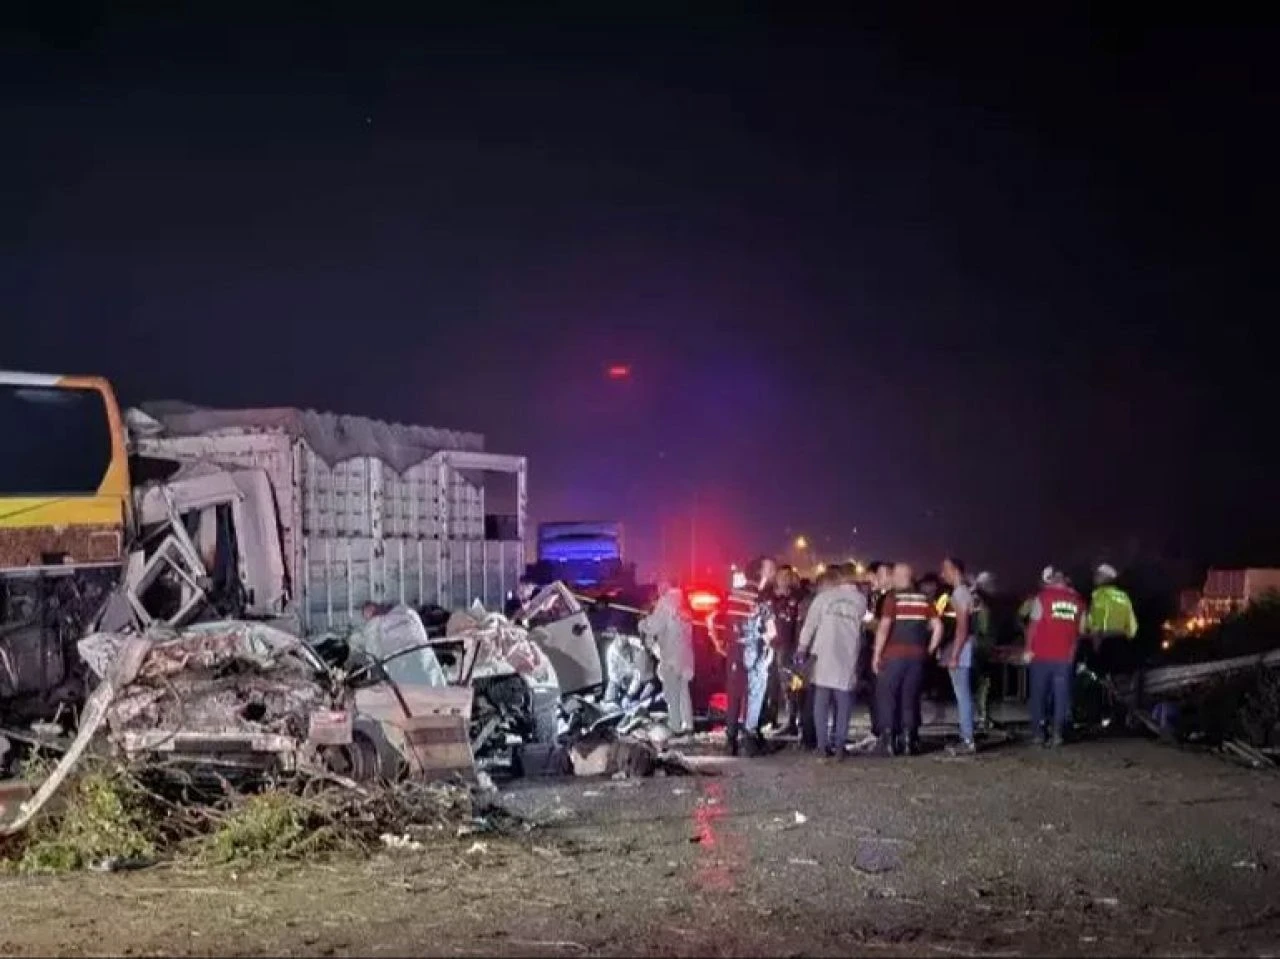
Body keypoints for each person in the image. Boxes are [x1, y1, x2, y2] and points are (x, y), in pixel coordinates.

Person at [795, 564, 867, 760]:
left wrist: (802, 648)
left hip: (823, 654)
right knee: (843, 702)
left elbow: (809, 625)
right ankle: (840, 746)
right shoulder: (860, 600)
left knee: (821, 701)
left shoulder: (823, 598)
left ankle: (822, 746)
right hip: (847, 655)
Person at [708, 555, 777, 756]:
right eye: (770, 569)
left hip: (734, 651)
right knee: (755, 695)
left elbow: (711, 618)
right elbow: (772, 631)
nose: (773, 573)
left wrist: (718, 642)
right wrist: (767, 643)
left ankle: (731, 740)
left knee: (734, 695)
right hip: (755, 651)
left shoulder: (732, 596)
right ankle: (749, 738)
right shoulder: (762, 599)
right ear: (761, 573)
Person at [872, 563, 943, 756]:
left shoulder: (892, 598)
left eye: (894, 575)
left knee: (887, 697)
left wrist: (876, 654)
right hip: (917, 657)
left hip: (893, 656)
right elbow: (938, 626)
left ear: (899, 577)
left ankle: (889, 742)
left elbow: (884, 627)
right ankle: (909, 742)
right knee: (910, 698)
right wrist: (929, 649)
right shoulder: (925, 599)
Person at [1024, 566, 1087, 747]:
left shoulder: (1043, 597)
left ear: (1052, 580)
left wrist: (1028, 649)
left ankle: (1039, 734)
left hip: (1041, 655)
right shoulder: (1079, 602)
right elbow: (1082, 631)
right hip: (1065, 658)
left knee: (1039, 695)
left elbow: (1033, 626)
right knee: (1061, 697)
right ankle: (1058, 734)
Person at [638, 585, 696, 737]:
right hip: (685, 657)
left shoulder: (666, 603)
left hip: (671, 658)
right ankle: (688, 725)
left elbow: (654, 626)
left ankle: (676, 727)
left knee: (672, 693)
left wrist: (642, 623)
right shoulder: (682, 603)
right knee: (683, 692)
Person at [939, 557, 977, 754]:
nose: (942, 574)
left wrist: (954, 655)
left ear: (955, 570)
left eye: (945, 569)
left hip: (960, 649)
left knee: (962, 695)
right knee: (963, 694)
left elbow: (962, 627)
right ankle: (966, 735)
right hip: (962, 648)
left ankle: (967, 739)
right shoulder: (963, 592)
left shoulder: (960, 593)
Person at [764, 565, 804, 735]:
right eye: (781, 576)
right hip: (772, 645)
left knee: (791, 684)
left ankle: (793, 719)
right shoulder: (769, 596)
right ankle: (770, 718)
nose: (784, 579)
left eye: (788, 576)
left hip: (789, 646)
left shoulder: (796, 597)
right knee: (771, 683)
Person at [604, 631, 656, 709]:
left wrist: (629, 695)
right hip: (624, 679)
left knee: (645, 690)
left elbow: (638, 675)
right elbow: (613, 676)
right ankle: (609, 704)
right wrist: (621, 683)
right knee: (612, 685)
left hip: (641, 678)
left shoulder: (637, 647)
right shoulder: (611, 652)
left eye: (627, 650)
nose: (626, 654)